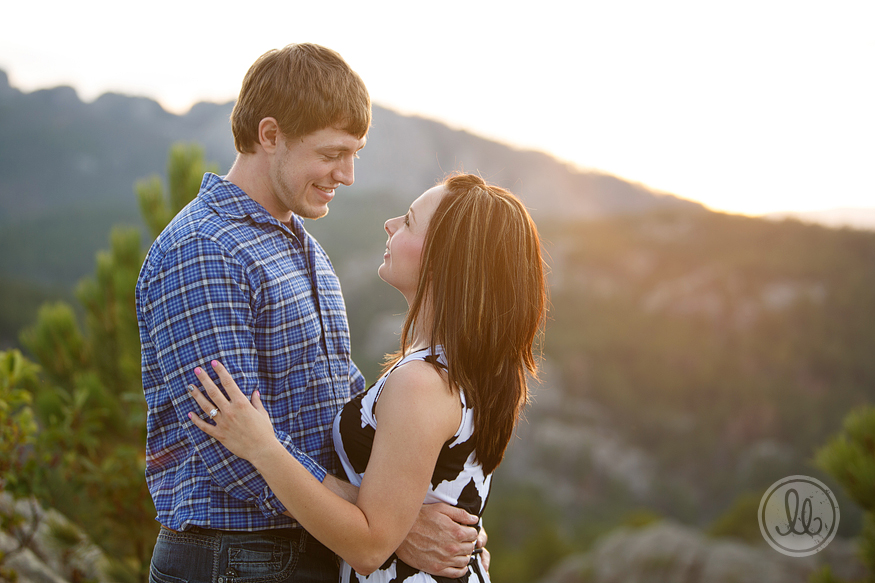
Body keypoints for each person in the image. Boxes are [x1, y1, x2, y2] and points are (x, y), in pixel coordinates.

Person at [136, 44, 481, 583]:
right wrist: (391, 523)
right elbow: (228, 447)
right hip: (236, 558)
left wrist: (405, 505)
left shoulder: (300, 245)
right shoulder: (207, 249)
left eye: (355, 154)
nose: (345, 174)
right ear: (269, 136)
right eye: (331, 153)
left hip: (306, 548)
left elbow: (342, 403)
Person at [188, 174, 548, 582]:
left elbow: (369, 545)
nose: (390, 224)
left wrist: (263, 448)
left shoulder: (423, 383)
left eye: (409, 221)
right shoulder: (457, 369)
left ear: (444, 260)